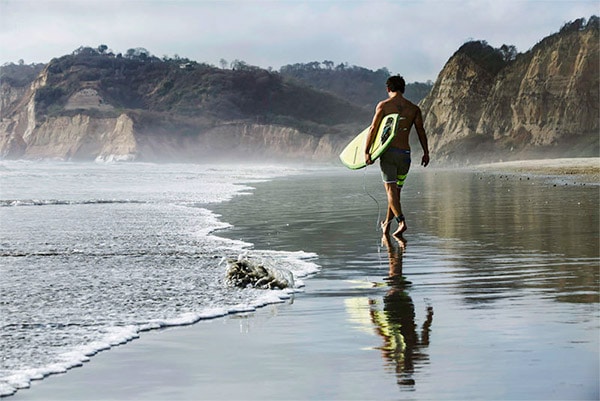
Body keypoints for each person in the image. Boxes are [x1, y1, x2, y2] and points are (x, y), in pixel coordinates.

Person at [365, 75, 429, 239]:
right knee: (394, 193)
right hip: (405, 156)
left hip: (389, 154)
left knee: (390, 191)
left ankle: (401, 221)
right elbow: (421, 131)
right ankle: (387, 225)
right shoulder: (413, 108)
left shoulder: (384, 105)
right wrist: (426, 152)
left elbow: (373, 128)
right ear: (403, 88)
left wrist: (367, 151)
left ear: (388, 89)